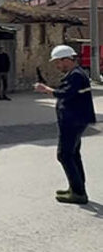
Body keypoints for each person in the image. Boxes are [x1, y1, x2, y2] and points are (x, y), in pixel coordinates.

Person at [35, 45, 97, 205]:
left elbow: (66, 93)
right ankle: (76, 187)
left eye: (58, 62)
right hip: (75, 119)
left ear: (67, 60)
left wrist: (46, 89)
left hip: (73, 121)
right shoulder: (76, 74)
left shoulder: (76, 75)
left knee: (64, 155)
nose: (57, 66)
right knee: (73, 154)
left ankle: (78, 193)